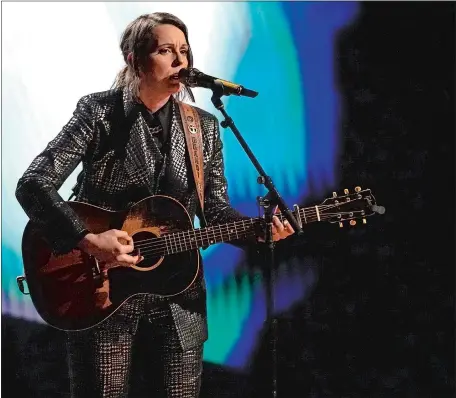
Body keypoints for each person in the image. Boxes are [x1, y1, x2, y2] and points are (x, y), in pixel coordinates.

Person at [16, 12, 294, 398]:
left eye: (184, 50)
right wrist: (87, 239)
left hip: (179, 290)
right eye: (166, 50)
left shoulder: (205, 128)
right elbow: (34, 184)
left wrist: (260, 230)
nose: (181, 61)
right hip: (102, 284)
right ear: (134, 59)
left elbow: (215, 212)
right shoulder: (99, 113)